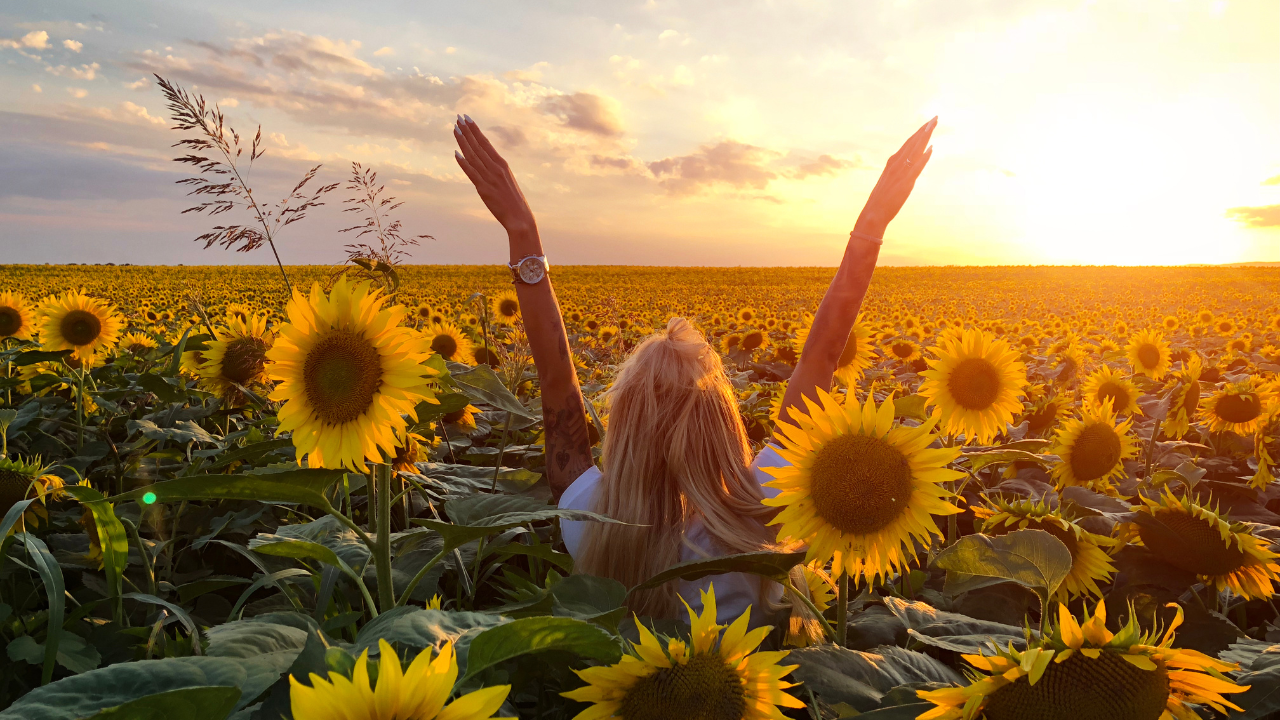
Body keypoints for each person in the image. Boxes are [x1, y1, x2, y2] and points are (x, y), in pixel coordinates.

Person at [452, 114, 935, 623]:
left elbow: (556, 382)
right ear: (721, 418)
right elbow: (822, 354)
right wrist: (872, 224)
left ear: (627, 422)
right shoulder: (761, 509)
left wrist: (523, 233)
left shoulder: (587, 518)